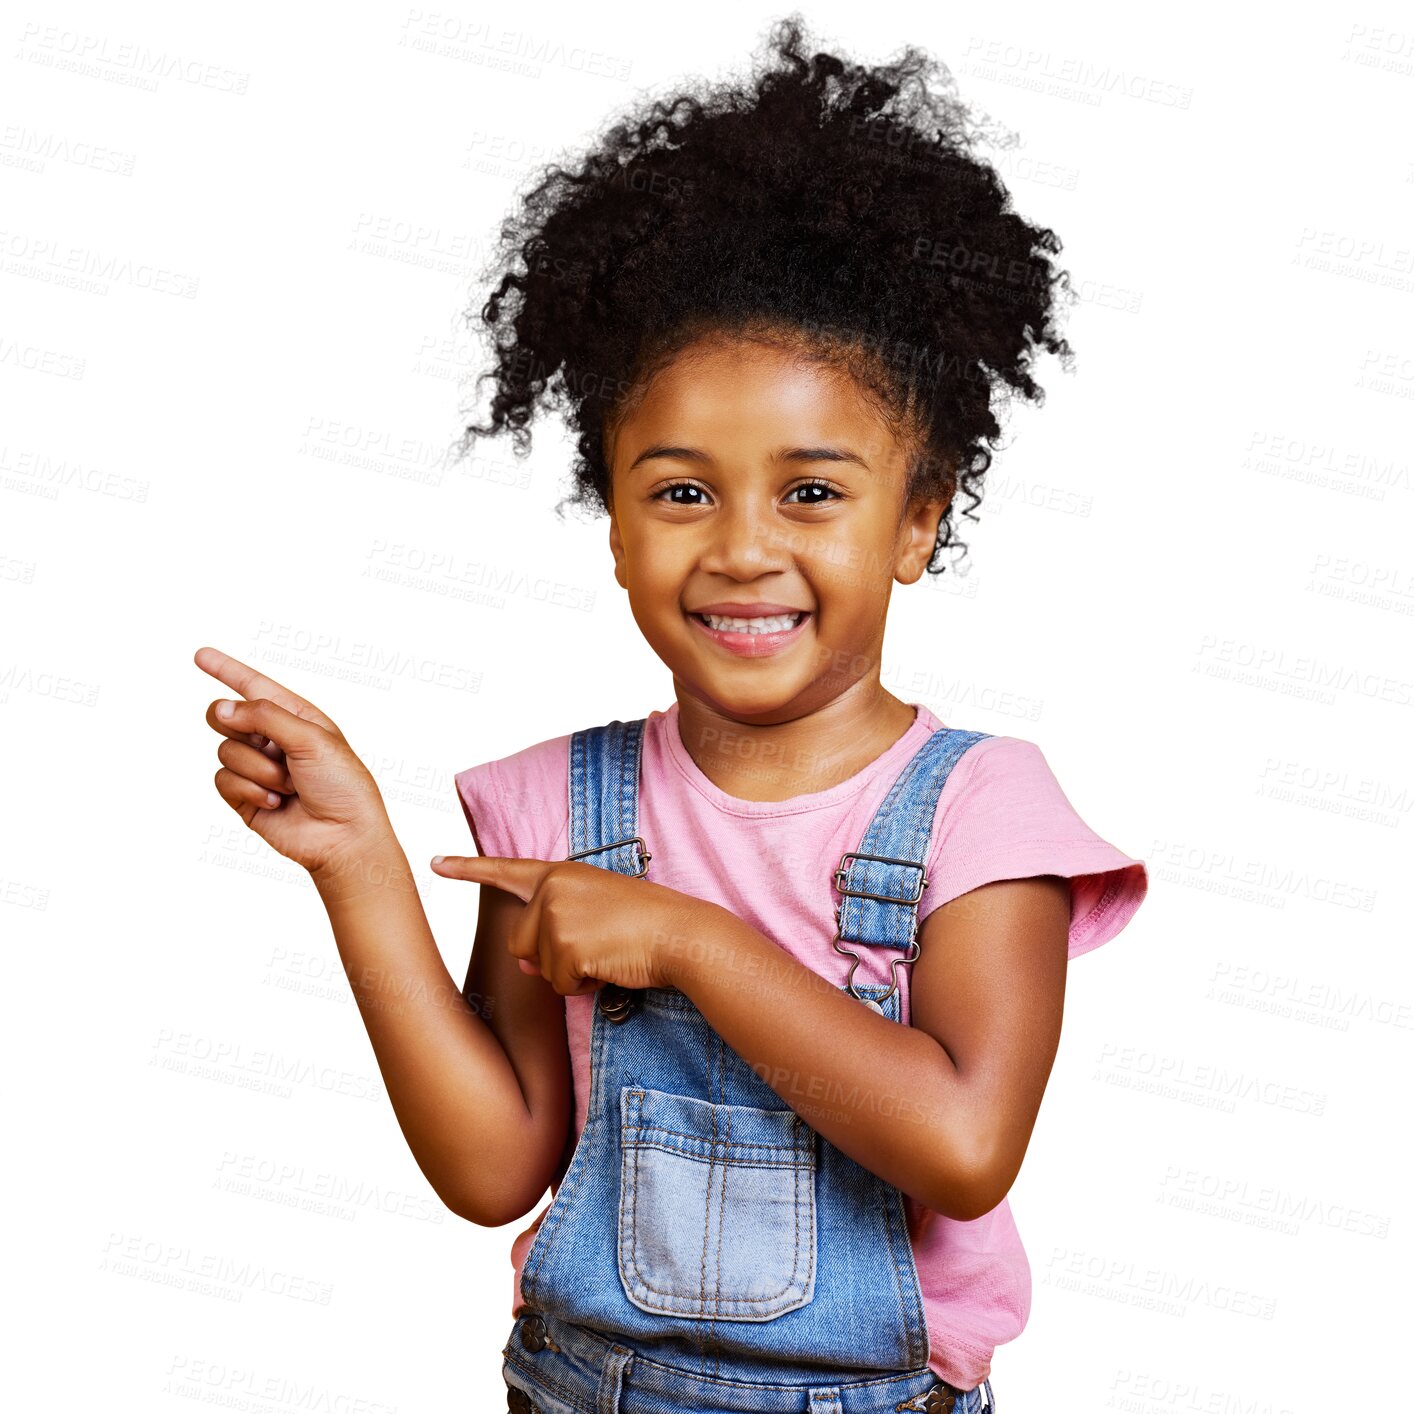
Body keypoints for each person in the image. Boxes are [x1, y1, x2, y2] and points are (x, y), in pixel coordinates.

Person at [197, 15, 1147, 1413]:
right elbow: (493, 1168)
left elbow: (960, 1143)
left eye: (811, 492)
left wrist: (690, 942)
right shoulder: (547, 807)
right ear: (617, 528)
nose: (743, 547)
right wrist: (361, 870)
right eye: (681, 490)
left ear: (917, 522)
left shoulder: (981, 810)